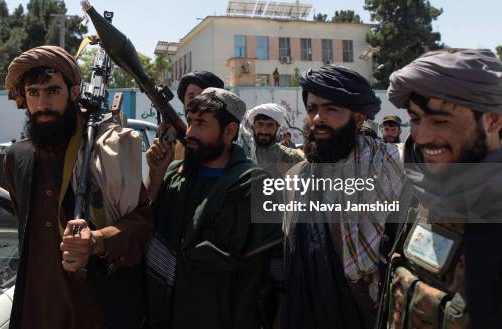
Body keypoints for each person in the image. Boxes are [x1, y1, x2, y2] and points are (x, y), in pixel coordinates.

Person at [3, 45, 153, 329]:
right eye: (33, 93)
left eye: (52, 91)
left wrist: (98, 240)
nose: (42, 103)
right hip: (38, 309)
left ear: (73, 92)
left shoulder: (104, 152)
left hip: (96, 310)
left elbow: (143, 223)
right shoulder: (16, 157)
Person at [378, 49, 502, 329]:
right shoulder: (415, 193)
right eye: (416, 119)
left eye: (440, 121)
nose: (421, 137)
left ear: (493, 120)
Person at [144, 88, 282, 329]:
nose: (190, 133)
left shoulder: (256, 186)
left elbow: (272, 272)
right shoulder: (176, 176)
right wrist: (156, 177)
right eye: (189, 123)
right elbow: (146, 228)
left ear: (229, 132)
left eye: (201, 124)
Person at [282, 65, 404, 329]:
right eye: (312, 109)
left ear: (359, 119)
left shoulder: (390, 168)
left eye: (331, 109)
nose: (317, 118)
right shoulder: (295, 178)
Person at [244, 103, 304, 178]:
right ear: (253, 126)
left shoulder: (289, 157)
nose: (264, 131)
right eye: (260, 124)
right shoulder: (242, 154)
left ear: (277, 127)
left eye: (270, 125)